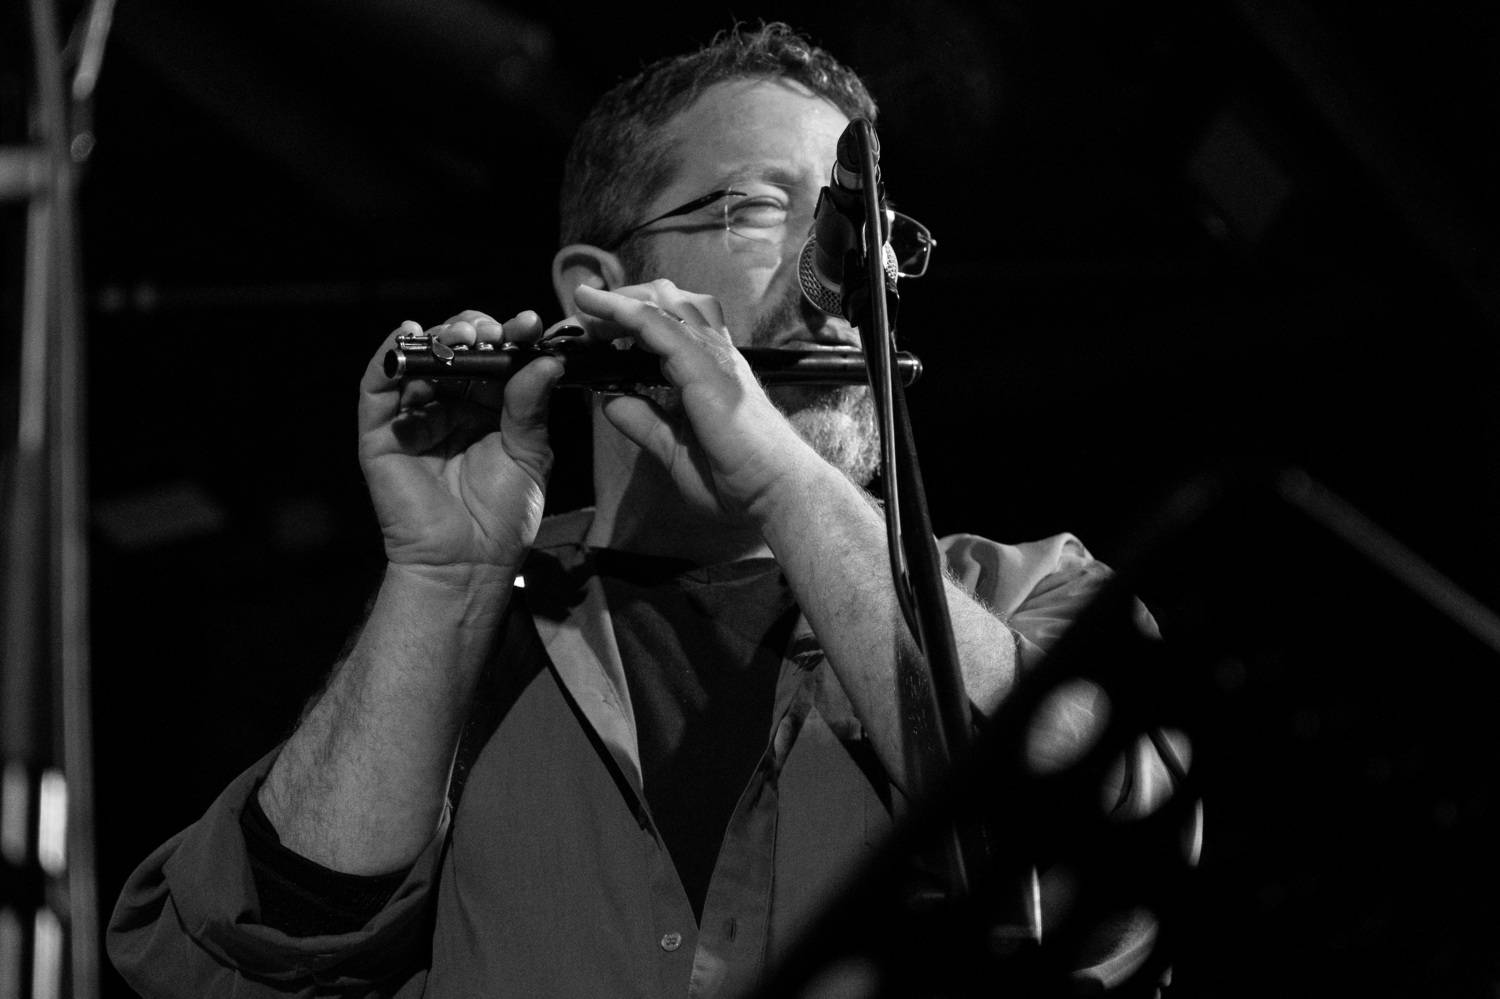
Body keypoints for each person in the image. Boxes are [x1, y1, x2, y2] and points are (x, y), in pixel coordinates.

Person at [107, 22, 1176, 998]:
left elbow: (1109, 853)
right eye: (765, 206)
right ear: (598, 290)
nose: (848, 268)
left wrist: (777, 473)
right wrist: (442, 578)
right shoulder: (472, 639)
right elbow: (238, 964)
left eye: (869, 225)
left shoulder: (1031, 594)